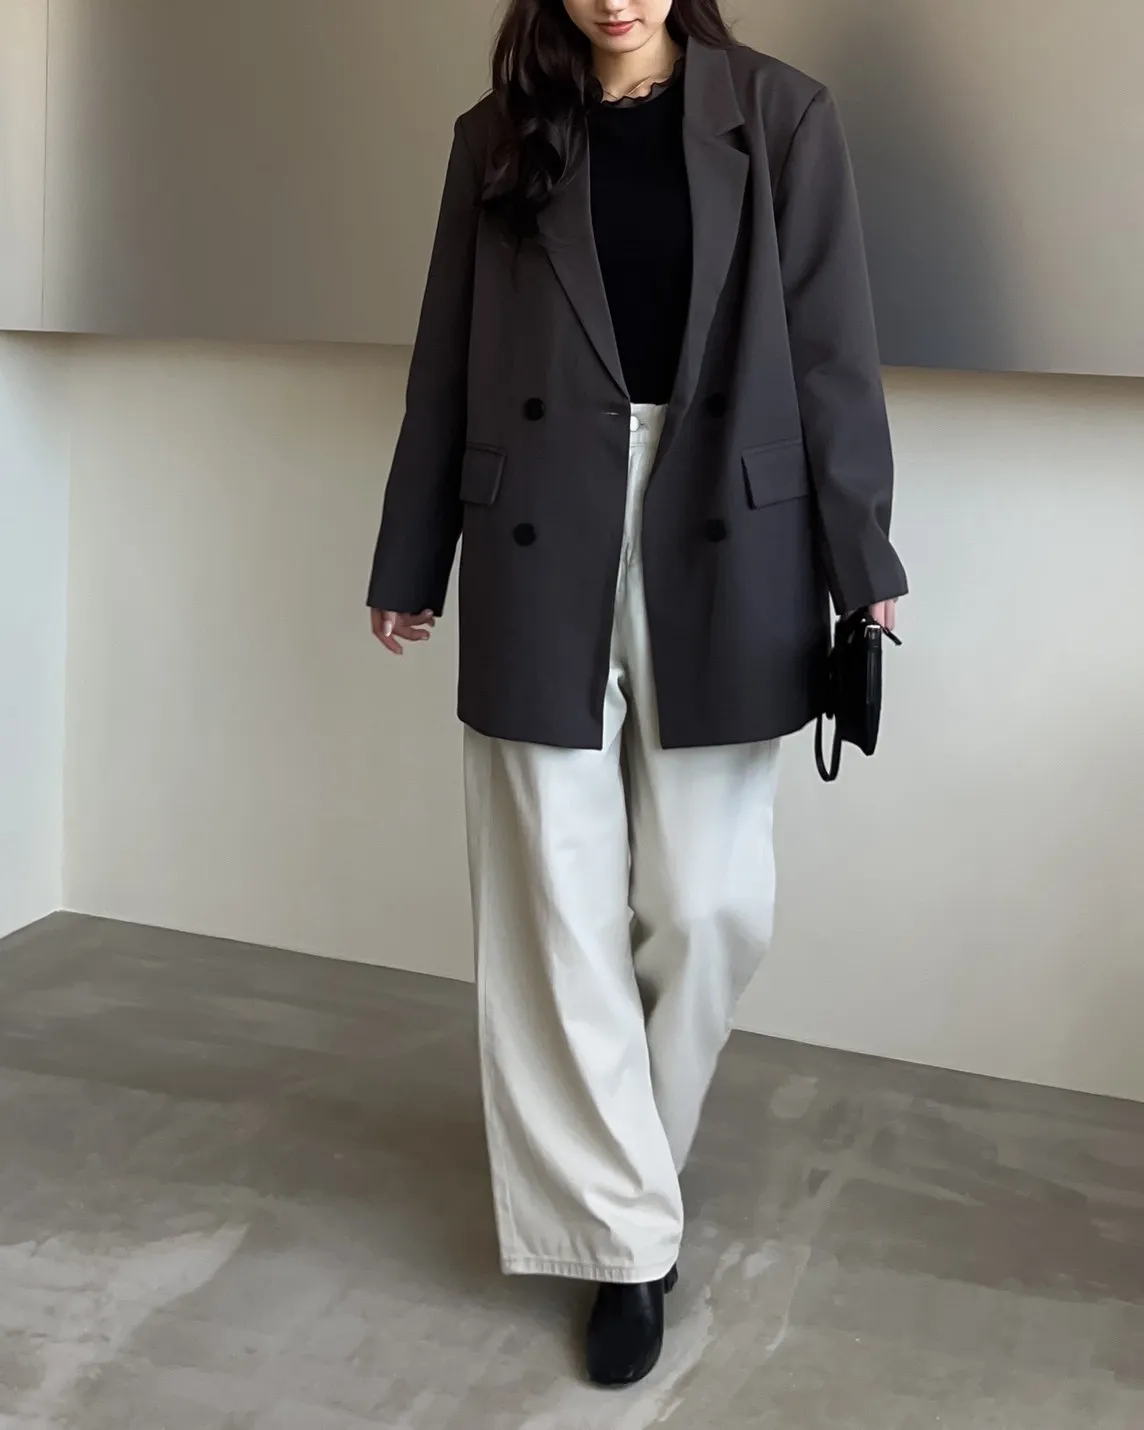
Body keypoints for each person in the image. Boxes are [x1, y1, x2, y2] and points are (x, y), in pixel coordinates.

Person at [367, 0, 907, 1389]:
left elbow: (834, 351)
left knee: (708, 902)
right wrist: (411, 557)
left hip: (722, 518)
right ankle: (623, 1245)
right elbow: (443, 360)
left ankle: (628, 1178)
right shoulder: (498, 136)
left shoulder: (781, 117)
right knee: (553, 899)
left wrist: (863, 559)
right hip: (536, 522)